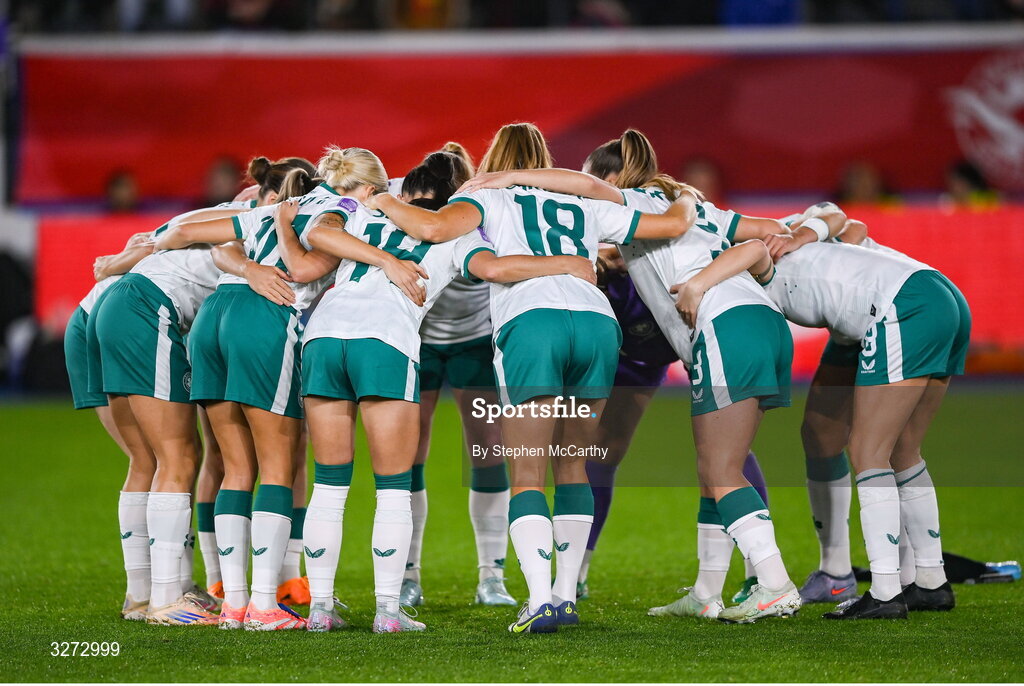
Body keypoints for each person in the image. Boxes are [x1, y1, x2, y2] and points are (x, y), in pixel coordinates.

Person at [458, 128, 802, 624]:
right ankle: (707, 590)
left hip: (707, 326)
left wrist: (501, 178)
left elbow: (572, 204)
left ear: (608, 177)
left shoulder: (619, 200)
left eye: (586, 181)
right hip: (740, 324)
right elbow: (765, 231)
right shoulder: (683, 207)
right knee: (714, 460)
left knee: (718, 465)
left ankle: (772, 581)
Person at [369, 123, 692, 633]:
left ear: (493, 164)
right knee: (574, 467)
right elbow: (672, 225)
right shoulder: (585, 205)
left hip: (533, 322)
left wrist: (379, 200)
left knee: (526, 473)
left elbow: (430, 230)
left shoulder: (486, 199)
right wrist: (687, 199)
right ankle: (565, 597)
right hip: (596, 323)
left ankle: (539, 598)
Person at [275, 149, 602, 633]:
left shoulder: (362, 208)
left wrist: (380, 243)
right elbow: (494, 269)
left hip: (325, 338)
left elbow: (319, 233)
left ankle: (321, 607)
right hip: (388, 341)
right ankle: (389, 609)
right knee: (393, 485)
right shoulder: (460, 231)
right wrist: (570, 264)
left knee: (330, 480)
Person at [154, 147, 428, 631]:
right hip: (268, 320)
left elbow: (186, 232)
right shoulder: (338, 214)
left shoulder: (277, 205)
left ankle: (233, 604)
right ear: (365, 189)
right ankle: (263, 606)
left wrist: (152, 246)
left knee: (236, 467)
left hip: (215, 314)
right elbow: (303, 269)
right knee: (279, 467)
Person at [701, 203, 969, 619]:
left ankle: (884, 592)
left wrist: (694, 285)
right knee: (887, 448)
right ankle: (930, 582)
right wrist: (806, 234)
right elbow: (846, 220)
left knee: (867, 452)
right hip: (930, 296)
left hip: (900, 307)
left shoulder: (755, 256)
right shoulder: (787, 232)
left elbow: (759, 248)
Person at [85, 164, 279, 625]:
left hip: (115, 305)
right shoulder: (252, 219)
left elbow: (165, 235)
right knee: (179, 455)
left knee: (149, 460)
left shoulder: (236, 211)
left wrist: (111, 263)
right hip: (145, 310)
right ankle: (165, 599)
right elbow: (218, 251)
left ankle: (142, 594)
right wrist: (253, 270)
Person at [402, 143, 513, 609]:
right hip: (417, 340)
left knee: (487, 455)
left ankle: (492, 576)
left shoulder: (481, 213)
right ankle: (407, 575)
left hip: (474, 342)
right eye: (416, 207)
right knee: (406, 456)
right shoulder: (398, 196)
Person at [66, 232, 156, 620]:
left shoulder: (225, 217)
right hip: (114, 323)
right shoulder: (241, 221)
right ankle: (147, 594)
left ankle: (155, 590)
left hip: (98, 317)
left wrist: (118, 259)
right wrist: (118, 261)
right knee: (158, 460)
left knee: (156, 460)